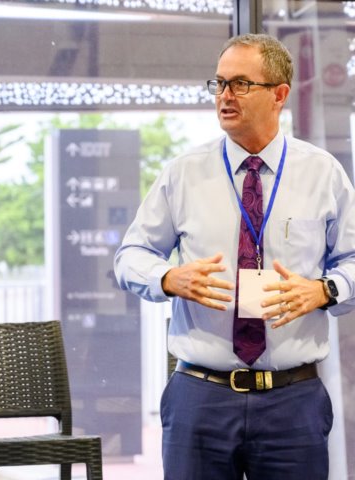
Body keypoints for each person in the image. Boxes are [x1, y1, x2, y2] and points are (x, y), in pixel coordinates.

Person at [114, 33, 355, 480]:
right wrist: (168, 278)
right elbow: (130, 255)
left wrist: (325, 290)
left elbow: (353, 260)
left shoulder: (323, 174)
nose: (225, 95)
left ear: (279, 94)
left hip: (293, 400)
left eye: (241, 84)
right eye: (219, 83)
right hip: (200, 397)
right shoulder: (184, 173)